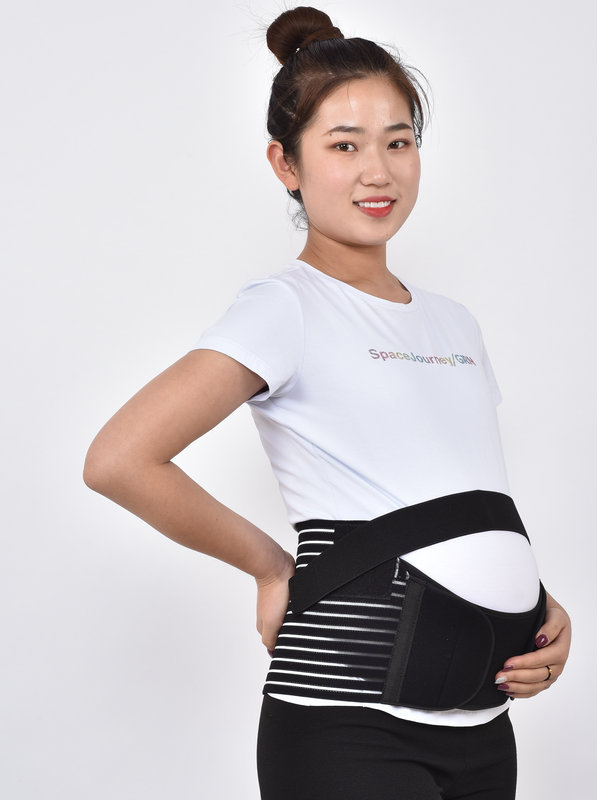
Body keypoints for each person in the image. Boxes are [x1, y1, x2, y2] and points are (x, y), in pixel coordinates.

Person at [84, 6, 571, 799]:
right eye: (344, 145)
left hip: (484, 732)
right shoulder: (287, 309)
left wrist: (541, 607)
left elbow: (453, 490)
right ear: (286, 163)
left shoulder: (455, 323)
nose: (379, 171)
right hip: (347, 726)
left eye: (399, 141)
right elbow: (119, 459)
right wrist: (268, 565)